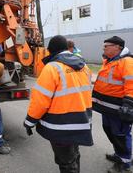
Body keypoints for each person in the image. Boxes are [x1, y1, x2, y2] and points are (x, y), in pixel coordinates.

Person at [24, 35, 93, 173]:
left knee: (66, 162)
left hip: (61, 125)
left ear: (51, 50)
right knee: (74, 155)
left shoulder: (52, 68)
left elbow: (40, 101)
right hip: (82, 120)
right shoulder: (84, 66)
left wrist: (30, 121)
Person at [92, 36, 133, 173]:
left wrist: (128, 104)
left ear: (118, 47)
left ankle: (125, 162)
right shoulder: (109, 61)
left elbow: (131, 84)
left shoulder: (127, 62)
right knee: (109, 131)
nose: (104, 48)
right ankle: (119, 154)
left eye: (106, 46)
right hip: (107, 108)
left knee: (120, 135)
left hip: (119, 109)